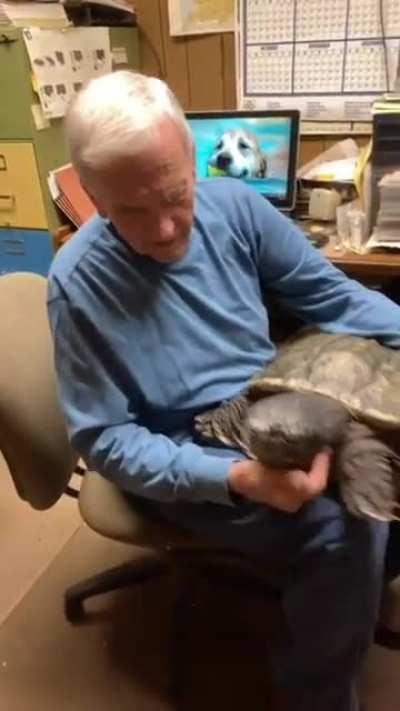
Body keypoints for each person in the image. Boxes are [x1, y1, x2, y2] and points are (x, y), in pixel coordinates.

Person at [47, 70, 400, 711]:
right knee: (345, 529)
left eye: (177, 195)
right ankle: (317, 695)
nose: (163, 229)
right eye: (130, 211)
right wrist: (238, 479)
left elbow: (334, 297)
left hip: (278, 398)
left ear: (193, 159)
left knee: (389, 475)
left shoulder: (236, 207)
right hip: (187, 444)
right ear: (91, 197)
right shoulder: (77, 284)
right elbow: (105, 437)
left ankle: (345, 599)